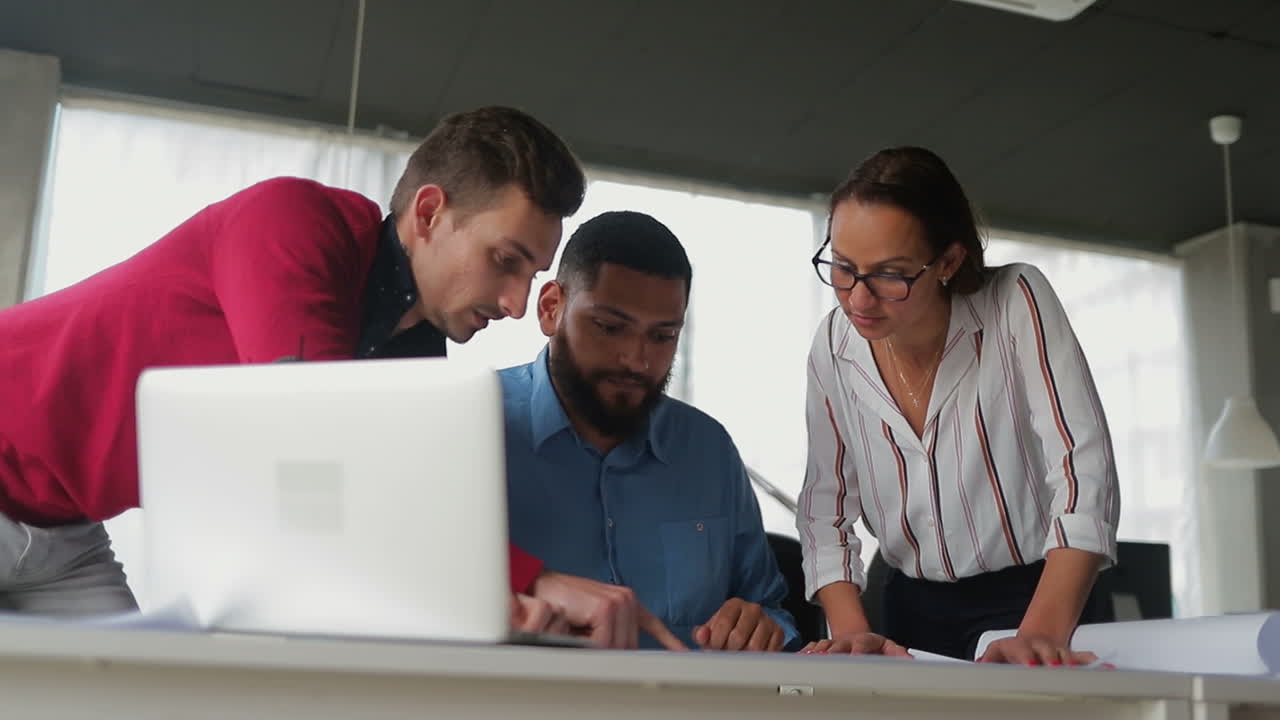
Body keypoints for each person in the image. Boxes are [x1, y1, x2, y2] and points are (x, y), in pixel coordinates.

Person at [0, 105, 674, 649]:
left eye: (532, 276)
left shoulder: (413, 354)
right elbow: (311, 446)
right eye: (505, 261)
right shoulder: (292, 221)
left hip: (69, 533)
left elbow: (412, 511)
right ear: (429, 213)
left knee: (137, 701)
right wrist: (528, 580)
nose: (516, 304)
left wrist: (521, 588)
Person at [796, 147, 1119, 665]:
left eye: (890, 275)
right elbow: (824, 506)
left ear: (948, 261)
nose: (857, 299)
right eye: (842, 267)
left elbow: (1082, 468)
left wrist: (1042, 632)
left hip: (1039, 596)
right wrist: (853, 632)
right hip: (910, 605)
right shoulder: (834, 345)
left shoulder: (1015, 301)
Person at [500, 211, 799, 651]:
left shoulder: (707, 450)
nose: (636, 360)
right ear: (551, 308)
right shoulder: (477, 429)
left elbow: (771, 609)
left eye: (662, 336)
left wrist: (761, 624)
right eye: (610, 327)